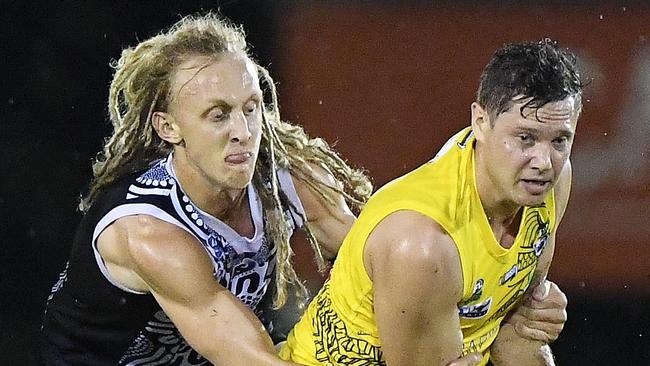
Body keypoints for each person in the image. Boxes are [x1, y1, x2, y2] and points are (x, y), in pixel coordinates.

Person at [38, 13, 374, 365]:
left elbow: (379, 261)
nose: (243, 131)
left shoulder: (292, 181)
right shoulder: (149, 233)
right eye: (218, 115)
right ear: (168, 127)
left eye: (250, 108)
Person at [280, 38, 580, 366]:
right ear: (480, 122)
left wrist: (532, 319)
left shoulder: (550, 184)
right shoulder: (423, 246)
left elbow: (513, 335)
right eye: (525, 138)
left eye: (559, 141)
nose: (544, 162)